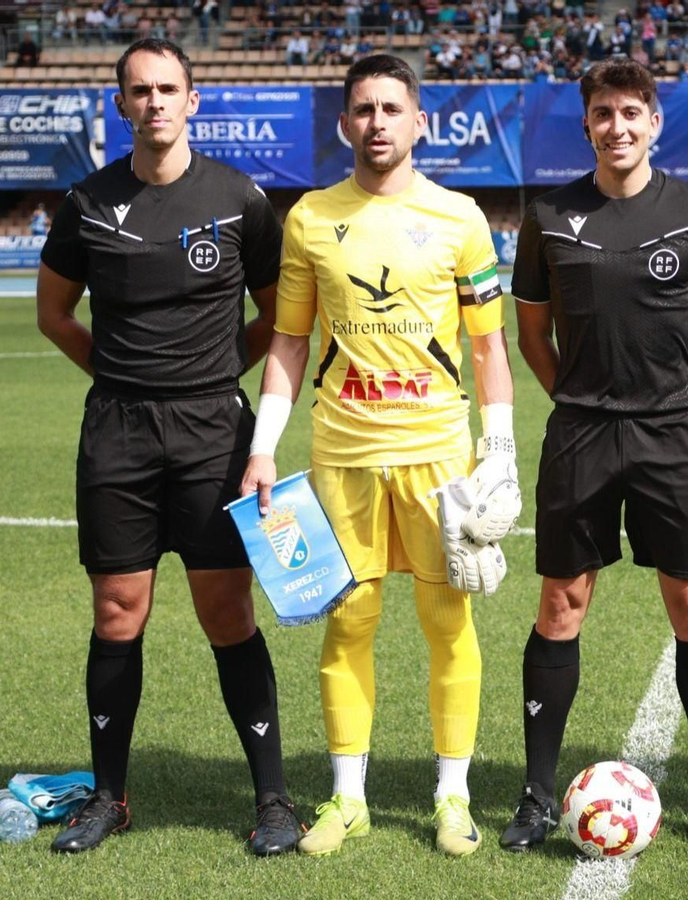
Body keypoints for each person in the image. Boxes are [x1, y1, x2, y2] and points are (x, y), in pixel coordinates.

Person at [238, 54, 518, 859]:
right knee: (348, 622)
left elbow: (490, 348)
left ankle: (452, 797)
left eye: (393, 109)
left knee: (446, 618)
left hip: (437, 456)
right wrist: (263, 450)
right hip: (342, 457)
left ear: (420, 121)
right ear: (343, 122)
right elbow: (290, 342)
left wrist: (497, 454)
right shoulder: (309, 218)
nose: (378, 123)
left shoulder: (461, 217)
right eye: (363, 109)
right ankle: (349, 798)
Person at [35, 37, 300, 856]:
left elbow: (279, 319)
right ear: (120, 106)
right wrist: (119, 377)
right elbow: (54, 314)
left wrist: (217, 377)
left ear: (193, 100)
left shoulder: (240, 199)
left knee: (227, 612)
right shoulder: (85, 202)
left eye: (168, 89)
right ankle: (109, 799)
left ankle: (273, 800)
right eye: (139, 91)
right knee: (118, 614)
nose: (154, 102)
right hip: (117, 433)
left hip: (213, 433)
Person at [502, 57, 688, 855]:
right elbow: (532, 336)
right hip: (580, 432)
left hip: (672, 437)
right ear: (587, 125)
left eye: (631, 113)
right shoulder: (549, 214)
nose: (617, 126)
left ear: (654, 122)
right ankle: (539, 795)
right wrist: (576, 400)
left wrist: (687, 408)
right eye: (603, 114)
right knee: (559, 606)